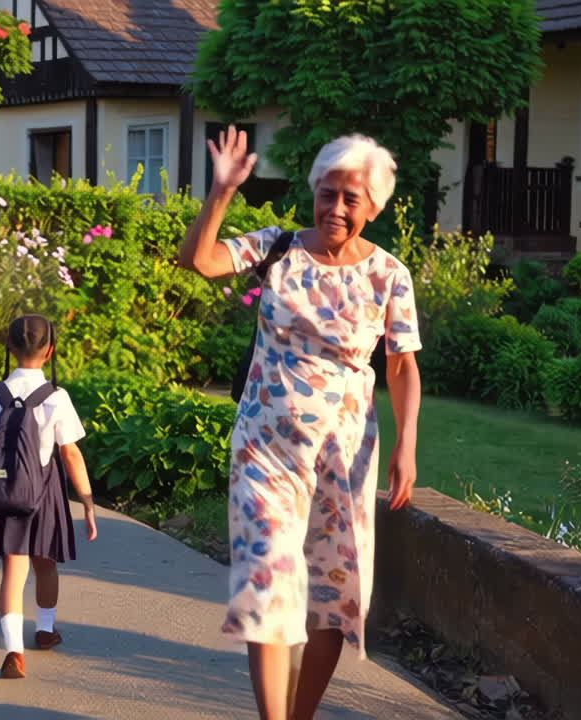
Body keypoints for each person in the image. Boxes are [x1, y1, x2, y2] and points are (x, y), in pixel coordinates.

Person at [178, 128, 423, 720]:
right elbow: (200, 261)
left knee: (334, 594)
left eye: (351, 199)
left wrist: (406, 444)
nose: (335, 208)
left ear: (375, 206)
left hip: (346, 453)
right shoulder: (278, 247)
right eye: (327, 193)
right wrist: (220, 193)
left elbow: (402, 367)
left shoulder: (390, 275)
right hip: (265, 446)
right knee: (268, 580)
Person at [0, 314, 98, 679]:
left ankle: (14, 650)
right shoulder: (56, 397)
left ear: (9, 348)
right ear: (51, 350)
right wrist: (87, 502)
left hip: (6, 488)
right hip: (45, 490)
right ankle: (45, 630)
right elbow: (70, 453)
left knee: (14, 568)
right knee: (46, 560)